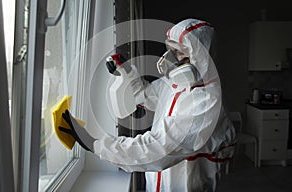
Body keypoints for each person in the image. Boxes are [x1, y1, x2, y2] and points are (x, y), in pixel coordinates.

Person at [60, 18, 236, 192]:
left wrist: (96, 144)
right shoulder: (175, 84)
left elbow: (158, 148)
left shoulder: (207, 102)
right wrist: (128, 73)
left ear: (201, 56)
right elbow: (146, 95)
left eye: (180, 53)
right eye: (171, 50)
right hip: (159, 183)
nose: (172, 59)